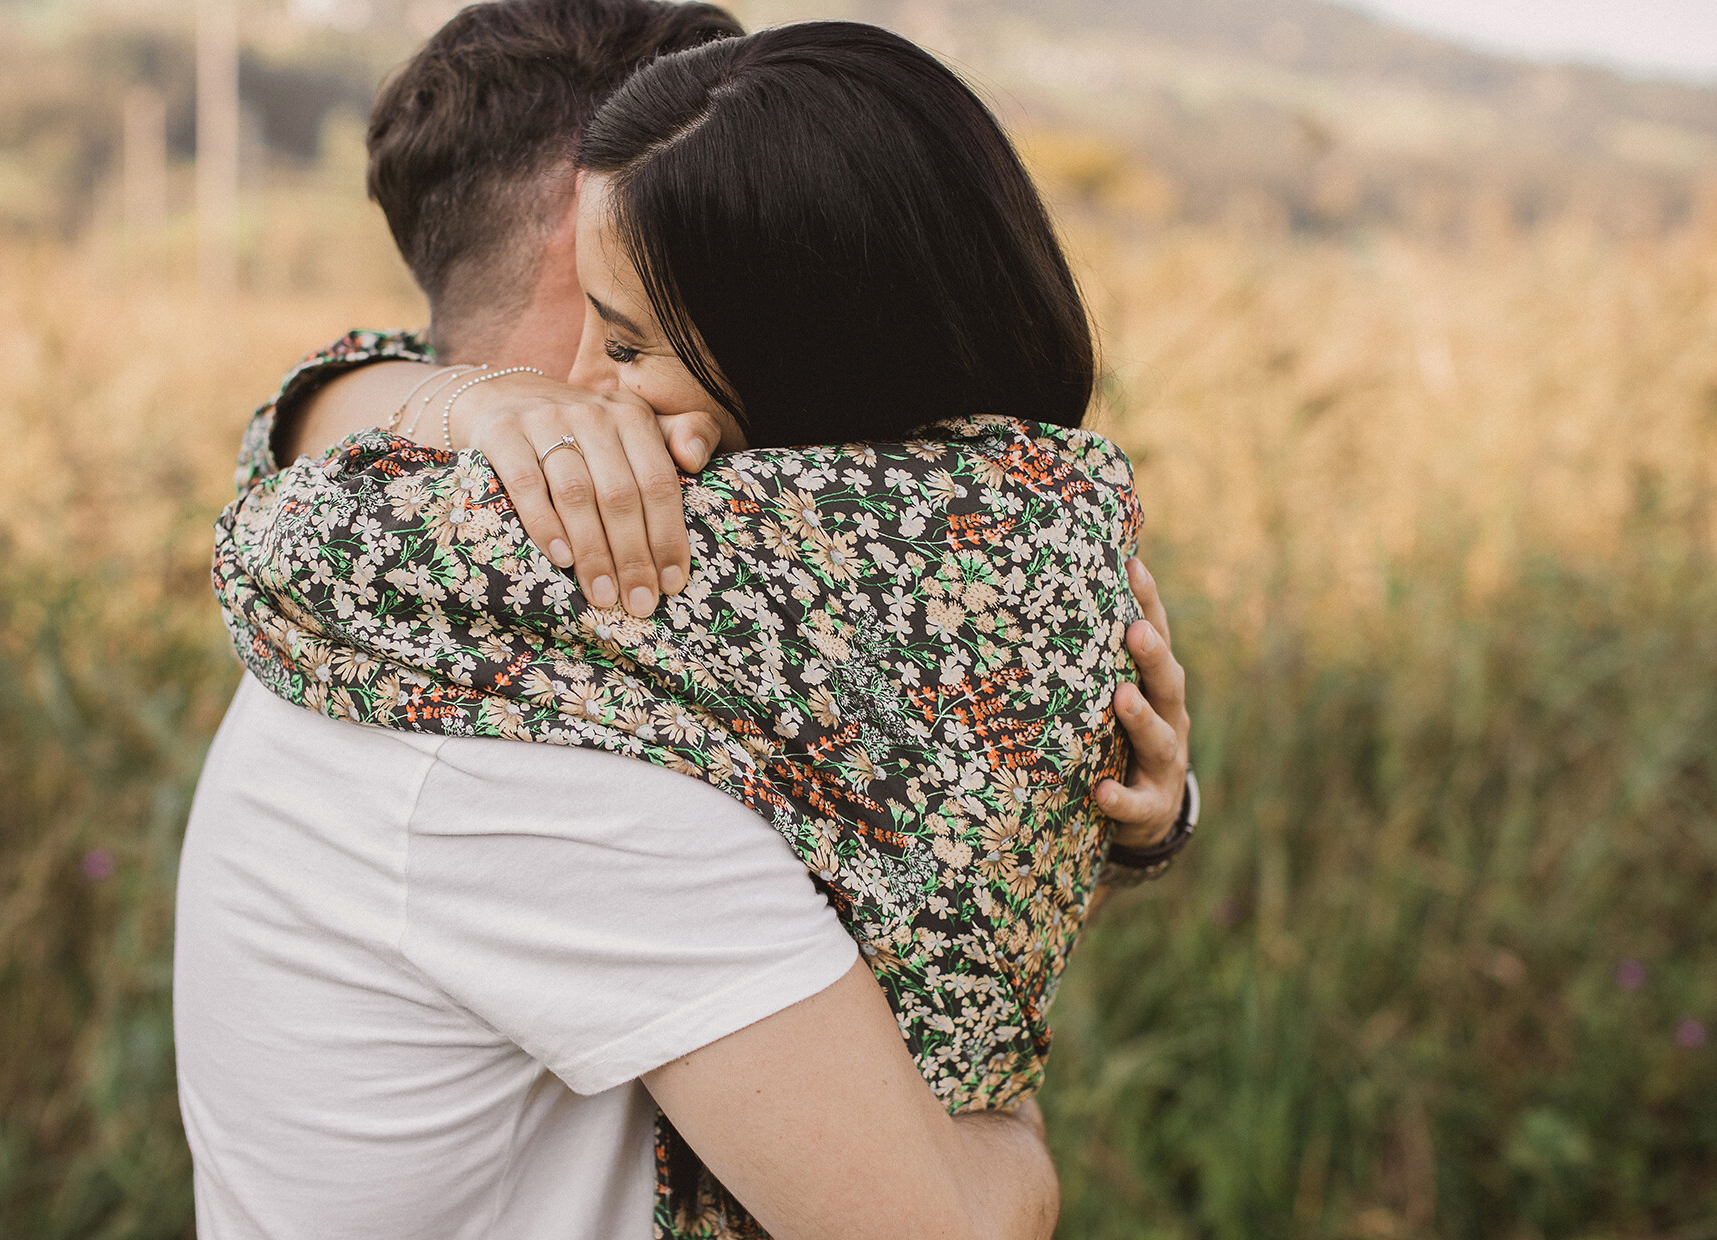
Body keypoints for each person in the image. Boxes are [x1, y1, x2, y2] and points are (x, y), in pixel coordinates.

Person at [177, 5, 1193, 1239]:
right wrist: (1013, 1131)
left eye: (627, 337)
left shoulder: (465, 623)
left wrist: (1093, 809)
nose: (596, 375)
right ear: (586, 246)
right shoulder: (557, 721)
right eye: (605, 322)